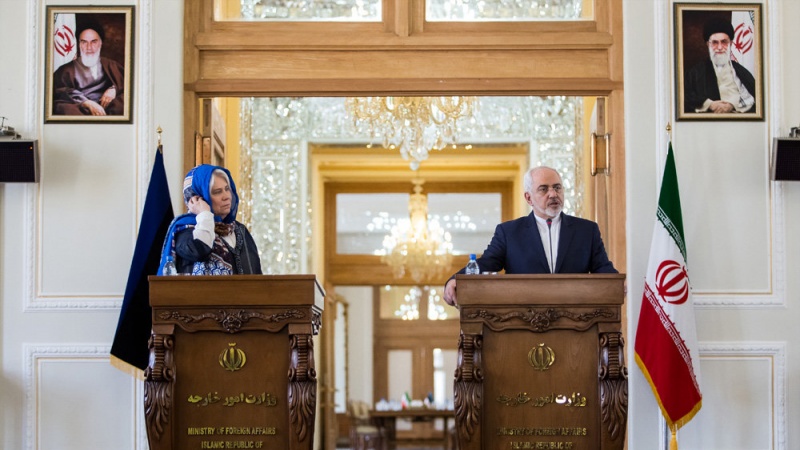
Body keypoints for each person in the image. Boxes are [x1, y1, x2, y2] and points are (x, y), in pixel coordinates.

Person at [443, 166, 617, 306]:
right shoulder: (509, 232)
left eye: (557, 188)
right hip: (524, 320)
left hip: (576, 320)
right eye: (544, 189)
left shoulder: (586, 230)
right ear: (528, 198)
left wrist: (618, 283)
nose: (553, 194)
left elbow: (602, 267)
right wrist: (455, 280)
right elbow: (487, 263)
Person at [158, 164, 262, 275]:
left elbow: (257, 275)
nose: (226, 196)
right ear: (199, 197)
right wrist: (204, 214)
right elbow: (199, 250)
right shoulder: (184, 231)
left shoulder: (240, 230)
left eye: (227, 189)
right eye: (217, 192)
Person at [683, 18, 756, 114]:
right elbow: (684, 97)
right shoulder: (695, 73)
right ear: (708, 44)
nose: (720, 47)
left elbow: (754, 98)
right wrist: (709, 104)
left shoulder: (741, 72)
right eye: (715, 42)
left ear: (730, 43)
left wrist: (732, 105)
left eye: (724, 42)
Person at [52, 21, 124, 116]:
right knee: (64, 109)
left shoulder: (111, 65)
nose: (89, 47)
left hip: (108, 108)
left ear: (100, 43)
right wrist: (86, 102)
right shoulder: (65, 70)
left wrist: (113, 89)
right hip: (80, 109)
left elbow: (128, 83)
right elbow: (58, 91)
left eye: (94, 42)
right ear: (79, 44)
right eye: (84, 42)